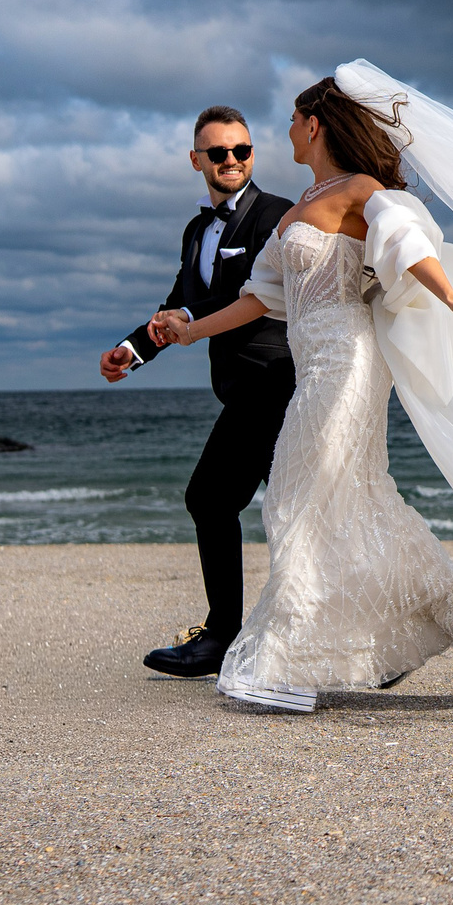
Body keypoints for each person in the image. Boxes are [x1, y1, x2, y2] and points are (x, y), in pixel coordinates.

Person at [150, 81, 453, 713]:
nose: (287, 131)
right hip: (314, 367)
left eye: (293, 119)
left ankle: (286, 668)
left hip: (349, 363)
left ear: (314, 125)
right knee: (357, 503)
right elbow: (261, 298)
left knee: (296, 500)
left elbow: (405, 240)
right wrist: (190, 331)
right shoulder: (300, 207)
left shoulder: (358, 191)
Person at [97, 105, 297, 679]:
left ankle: (223, 638)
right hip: (241, 391)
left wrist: (185, 316)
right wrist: (133, 349)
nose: (232, 160)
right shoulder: (195, 231)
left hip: (276, 383)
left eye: (242, 150)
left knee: (216, 500)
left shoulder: (276, 215)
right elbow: (180, 298)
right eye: (218, 152)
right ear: (196, 160)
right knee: (292, 512)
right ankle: (236, 637)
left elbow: (250, 292)